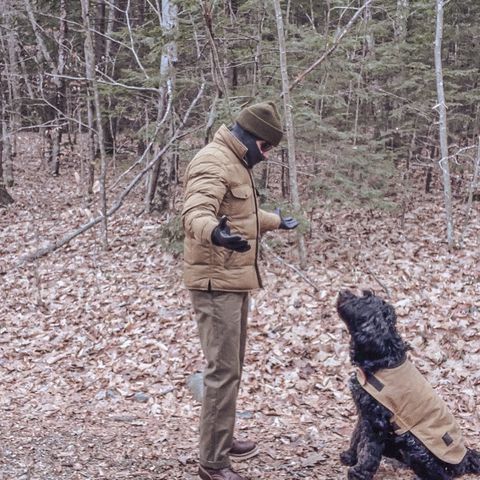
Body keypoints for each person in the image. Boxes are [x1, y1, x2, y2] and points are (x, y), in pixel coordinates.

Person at [182, 101, 299, 480]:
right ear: (248, 137)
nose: (265, 157)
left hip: (232, 281)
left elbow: (242, 214)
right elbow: (195, 212)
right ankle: (213, 463)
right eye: (264, 148)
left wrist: (276, 222)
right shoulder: (213, 160)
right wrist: (214, 232)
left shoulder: (235, 162)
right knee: (222, 371)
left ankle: (222, 436)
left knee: (230, 369)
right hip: (216, 283)